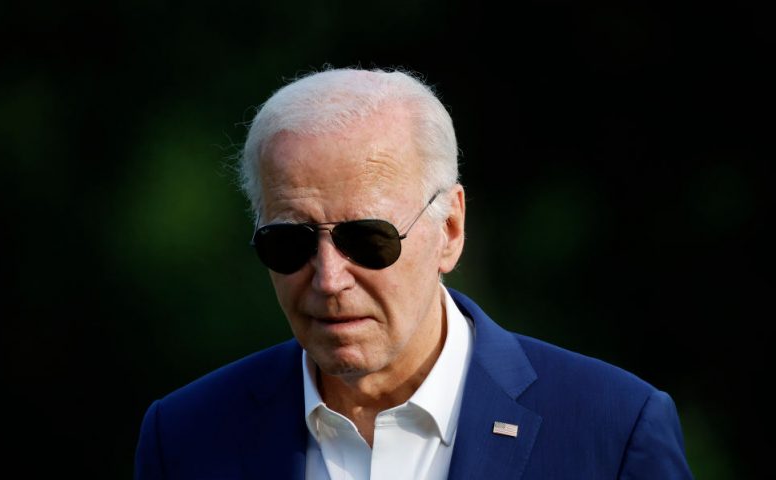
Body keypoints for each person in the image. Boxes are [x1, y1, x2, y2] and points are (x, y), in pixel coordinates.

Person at [135, 67, 692, 479]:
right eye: (290, 242)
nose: (329, 278)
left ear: (449, 228)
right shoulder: (185, 438)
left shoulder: (613, 431)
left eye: (368, 240)